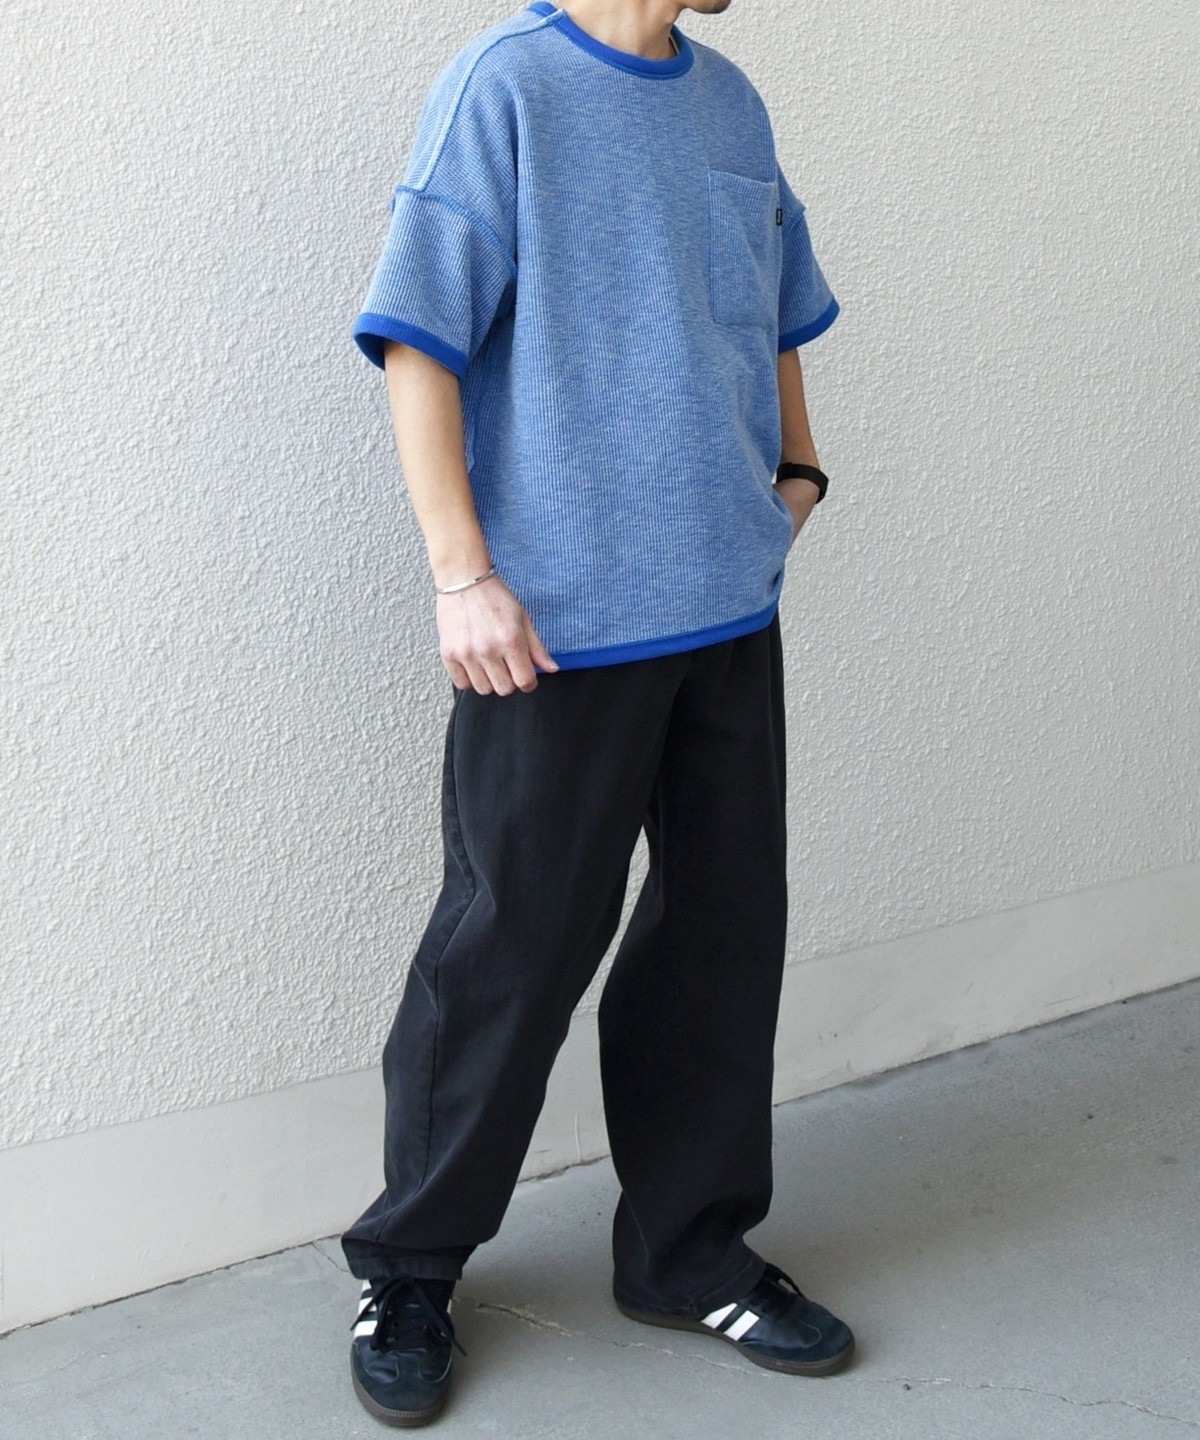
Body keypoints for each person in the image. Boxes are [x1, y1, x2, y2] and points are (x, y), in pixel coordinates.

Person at [340, 0, 852, 1425]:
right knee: (510, 946)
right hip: (551, 632)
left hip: (726, 606)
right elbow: (419, 342)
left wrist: (799, 471)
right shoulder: (503, 90)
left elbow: (773, 299)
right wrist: (462, 577)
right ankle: (410, 1267)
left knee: (720, 940)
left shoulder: (730, 101)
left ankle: (689, 1253)